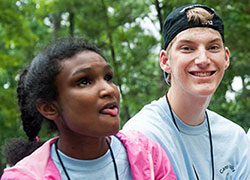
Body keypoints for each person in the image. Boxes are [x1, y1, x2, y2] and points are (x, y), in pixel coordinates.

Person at [1, 37, 176, 180]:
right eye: (84, 81)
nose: (109, 89)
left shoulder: (147, 155)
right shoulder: (26, 177)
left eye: (108, 77)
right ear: (49, 108)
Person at [123, 4, 250, 180]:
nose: (203, 60)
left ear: (226, 57)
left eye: (213, 47)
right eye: (187, 48)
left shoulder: (234, 139)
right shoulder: (144, 136)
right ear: (165, 61)